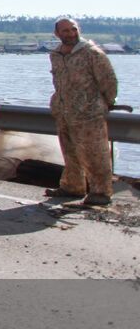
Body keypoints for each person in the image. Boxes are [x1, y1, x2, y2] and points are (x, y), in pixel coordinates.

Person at [47, 18, 118, 206]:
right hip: (64, 112)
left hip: (89, 112)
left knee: (95, 153)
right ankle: (72, 187)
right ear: (57, 34)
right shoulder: (55, 54)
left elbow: (108, 80)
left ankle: (101, 192)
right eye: (65, 30)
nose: (70, 33)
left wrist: (107, 102)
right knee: (70, 152)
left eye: (73, 29)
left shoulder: (92, 53)